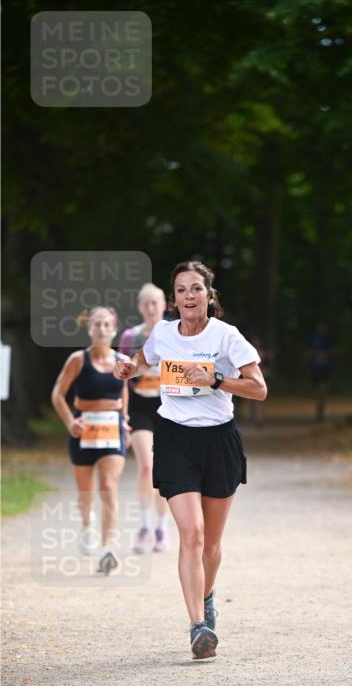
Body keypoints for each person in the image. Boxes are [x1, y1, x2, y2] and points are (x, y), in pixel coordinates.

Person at [114, 261, 267, 660]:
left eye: (196, 289)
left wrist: (215, 379)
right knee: (192, 534)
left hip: (219, 441)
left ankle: (208, 593)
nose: (188, 296)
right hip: (175, 438)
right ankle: (198, 627)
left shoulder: (227, 337)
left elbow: (259, 389)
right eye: (181, 290)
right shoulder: (163, 334)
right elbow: (143, 362)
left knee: (211, 545)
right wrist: (129, 367)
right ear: (174, 298)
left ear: (208, 295)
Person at [51, 306, 129, 575]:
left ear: (115, 329)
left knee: (108, 486)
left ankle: (108, 548)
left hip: (112, 430)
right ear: (89, 329)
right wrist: (71, 422)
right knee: (86, 496)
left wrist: (125, 419)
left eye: (107, 325)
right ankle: (87, 523)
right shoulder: (78, 360)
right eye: (97, 325)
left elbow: (124, 390)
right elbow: (58, 395)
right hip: (83, 431)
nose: (102, 329)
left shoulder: (122, 360)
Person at [119, 283, 170, 554]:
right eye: (147, 303)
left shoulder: (175, 333)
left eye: (156, 303)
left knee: (163, 470)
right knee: (147, 467)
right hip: (139, 407)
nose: (152, 308)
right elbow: (122, 375)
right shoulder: (131, 336)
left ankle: (162, 527)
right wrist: (122, 415)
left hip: (167, 407)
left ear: (164, 305)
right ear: (140, 307)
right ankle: (144, 526)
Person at [308, 321, 335, 422]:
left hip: (325, 367)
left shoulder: (329, 338)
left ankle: (321, 408)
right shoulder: (313, 338)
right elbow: (310, 351)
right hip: (315, 367)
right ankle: (319, 407)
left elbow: (333, 350)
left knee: (323, 387)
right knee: (317, 389)